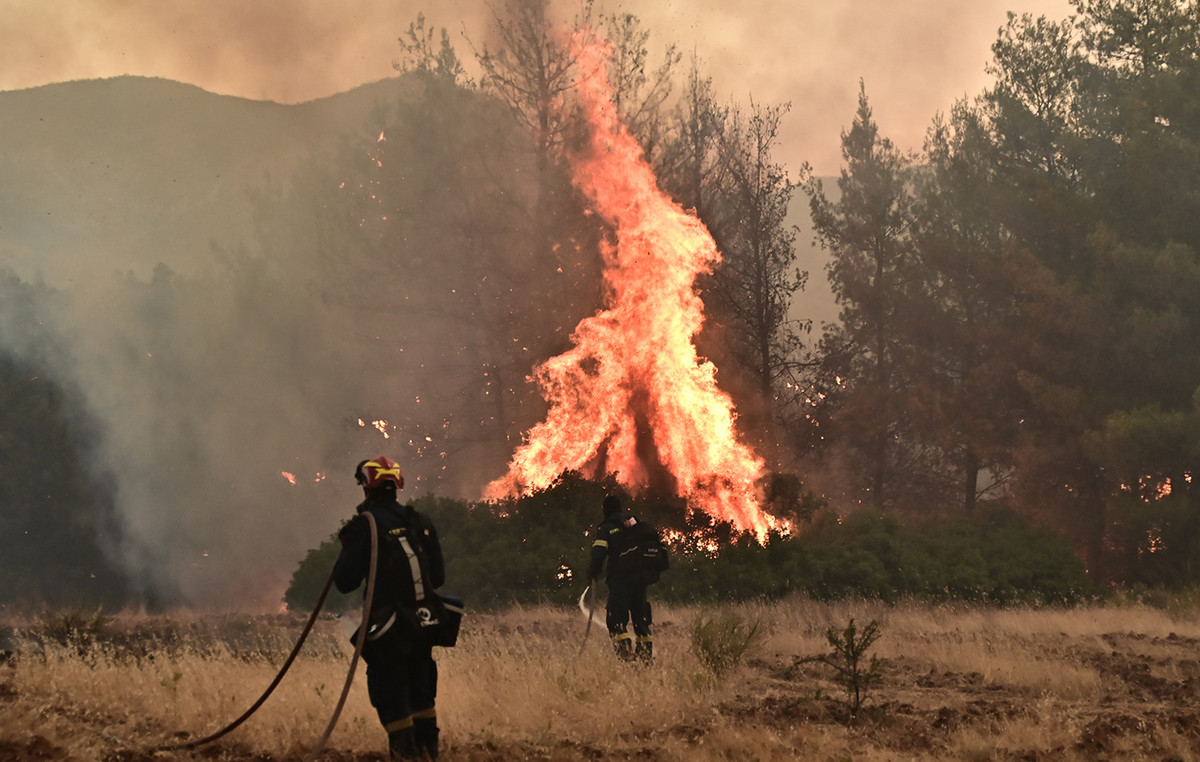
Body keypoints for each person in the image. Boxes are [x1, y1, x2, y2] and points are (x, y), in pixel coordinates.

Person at [334, 456, 445, 760]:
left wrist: (349, 545)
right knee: (422, 692)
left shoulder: (365, 527)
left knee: (390, 693)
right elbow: (438, 577)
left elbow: (344, 582)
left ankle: (405, 754)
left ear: (366, 486)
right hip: (423, 623)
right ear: (396, 485)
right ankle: (429, 753)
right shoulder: (420, 521)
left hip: (389, 630)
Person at [587, 494, 656, 662]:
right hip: (641, 579)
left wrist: (593, 571)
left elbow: (598, 553)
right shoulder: (633, 525)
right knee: (641, 621)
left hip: (621, 580)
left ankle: (626, 659)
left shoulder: (607, 528)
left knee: (616, 620)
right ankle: (645, 660)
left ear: (605, 510)